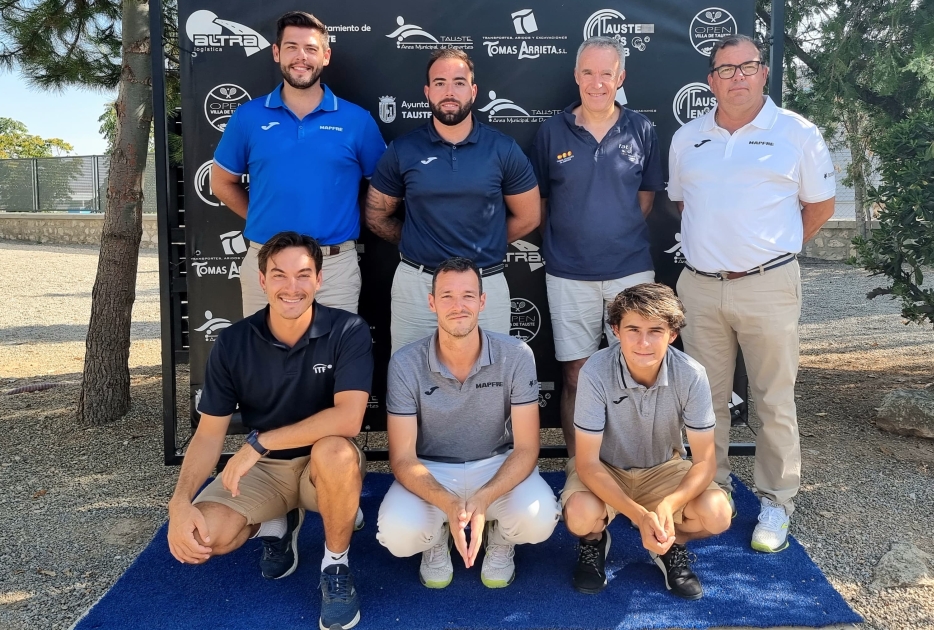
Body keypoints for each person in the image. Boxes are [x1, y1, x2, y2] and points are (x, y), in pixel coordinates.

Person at [667, 34, 836, 553]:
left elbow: (820, 206)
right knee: (704, 401)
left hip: (769, 285)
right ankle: (711, 491)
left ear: (764, 73)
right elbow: (681, 204)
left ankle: (777, 502)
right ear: (711, 80)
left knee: (773, 399)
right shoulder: (687, 136)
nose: (737, 77)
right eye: (725, 69)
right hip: (699, 286)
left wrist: (769, 253)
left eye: (748, 67)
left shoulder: (797, 133)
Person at [167, 231, 373, 630]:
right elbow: (209, 434)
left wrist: (259, 442)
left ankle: (335, 566)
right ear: (261, 281)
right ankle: (277, 523)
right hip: (265, 471)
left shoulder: (348, 330)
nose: (291, 287)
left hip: (322, 465)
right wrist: (179, 502)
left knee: (335, 450)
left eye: (302, 275)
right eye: (279, 275)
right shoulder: (232, 342)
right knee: (207, 537)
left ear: (319, 279)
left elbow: (348, 419)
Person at [376, 257, 559, 588]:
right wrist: (447, 503)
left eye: (468, 295)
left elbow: (528, 447)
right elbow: (403, 458)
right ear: (431, 302)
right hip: (431, 469)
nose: (458, 306)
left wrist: (485, 497)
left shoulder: (516, 355)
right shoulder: (404, 363)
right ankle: (436, 539)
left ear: (482, 301)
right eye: (447, 295)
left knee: (539, 520)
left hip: (496, 464)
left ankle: (499, 536)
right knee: (398, 536)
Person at [530, 35, 663, 458]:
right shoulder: (552, 131)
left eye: (606, 73)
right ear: (576, 76)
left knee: (638, 371)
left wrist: (613, 233)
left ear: (620, 76)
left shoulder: (641, 129)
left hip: (631, 271)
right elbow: (542, 203)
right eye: (588, 72)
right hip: (568, 273)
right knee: (576, 375)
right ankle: (579, 470)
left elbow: (645, 199)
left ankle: (634, 465)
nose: (597, 82)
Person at [561, 283, 731, 600]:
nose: (643, 342)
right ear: (615, 330)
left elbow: (705, 461)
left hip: (664, 468)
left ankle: (670, 545)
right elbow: (586, 463)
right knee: (581, 514)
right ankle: (594, 541)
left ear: (672, 334)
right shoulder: (595, 371)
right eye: (633, 329)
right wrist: (640, 517)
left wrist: (668, 506)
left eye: (655, 330)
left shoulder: (691, 373)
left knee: (718, 513)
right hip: (605, 468)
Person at [211, 11, 386, 317]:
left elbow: (383, 187)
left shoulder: (357, 121)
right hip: (267, 263)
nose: (300, 57)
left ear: (325, 56)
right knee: (263, 362)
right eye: (291, 47)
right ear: (276, 52)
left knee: (331, 361)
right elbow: (221, 182)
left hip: (333, 268)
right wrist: (264, 217)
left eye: (311, 49)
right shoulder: (248, 117)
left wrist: (353, 214)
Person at [365, 49, 540, 354]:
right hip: (418, 284)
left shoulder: (503, 149)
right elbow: (377, 216)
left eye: (459, 83)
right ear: (427, 91)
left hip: (484, 284)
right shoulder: (403, 150)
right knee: (409, 380)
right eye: (440, 82)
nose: (449, 91)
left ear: (473, 91)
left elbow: (529, 216)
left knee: (493, 380)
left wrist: (486, 243)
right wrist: (420, 241)